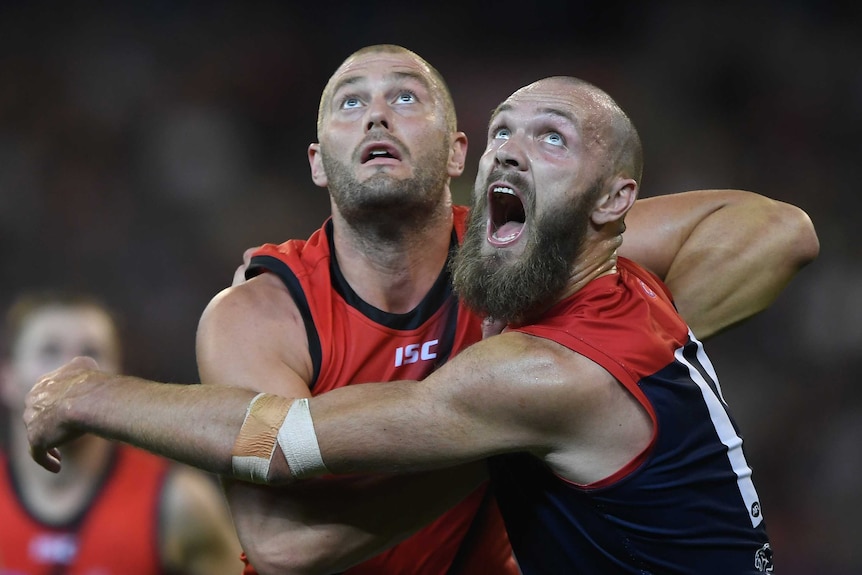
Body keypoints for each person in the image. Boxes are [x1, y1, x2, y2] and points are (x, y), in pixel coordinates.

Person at [24, 46, 819, 574]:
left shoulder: (551, 281)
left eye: (407, 96)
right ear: (316, 162)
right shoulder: (267, 311)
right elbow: (286, 545)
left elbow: (782, 231)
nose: (375, 114)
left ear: (455, 153)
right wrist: (509, 434)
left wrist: (93, 392)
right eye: (348, 103)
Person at [0, 291, 244, 575]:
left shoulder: (178, 503)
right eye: (50, 350)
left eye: (91, 352)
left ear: (119, 377)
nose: (71, 370)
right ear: (7, 379)